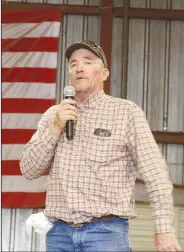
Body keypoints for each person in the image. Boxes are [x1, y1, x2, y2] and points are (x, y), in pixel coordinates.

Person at [20, 40, 182, 252]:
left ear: (104, 73)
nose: (79, 67)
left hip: (106, 235)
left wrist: (164, 228)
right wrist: (55, 128)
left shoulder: (126, 113)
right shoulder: (55, 115)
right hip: (59, 236)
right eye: (73, 64)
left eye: (87, 62)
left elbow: (155, 172)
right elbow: (28, 169)